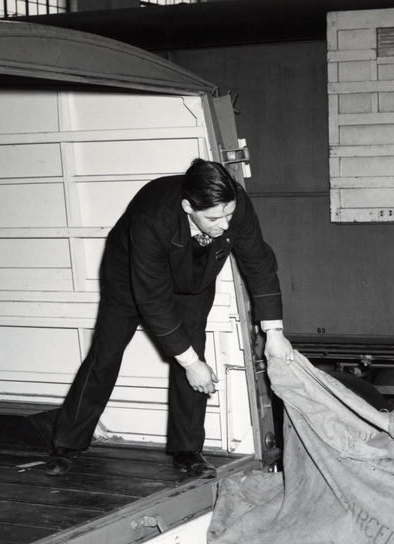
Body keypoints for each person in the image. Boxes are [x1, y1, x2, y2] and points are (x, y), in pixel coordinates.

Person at [45, 158, 294, 478]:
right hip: (130, 280)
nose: (226, 225)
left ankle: (187, 451)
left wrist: (274, 332)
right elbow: (153, 299)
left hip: (193, 280)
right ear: (188, 206)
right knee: (105, 357)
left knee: (193, 354)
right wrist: (190, 363)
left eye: (229, 214)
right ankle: (68, 443)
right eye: (214, 218)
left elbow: (258, 262)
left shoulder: (233, 205)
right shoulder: (153, 216)